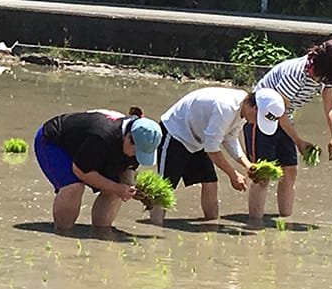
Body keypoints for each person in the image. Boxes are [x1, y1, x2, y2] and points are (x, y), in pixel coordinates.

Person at [244, 39, 332, 219]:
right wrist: (299, 142)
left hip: (284, 118)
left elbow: (331, 106)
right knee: (262, 175)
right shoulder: (295, 75)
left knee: (290, 172)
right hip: (259, 117)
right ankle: (254, 225)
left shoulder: (326, 78)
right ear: (330, 67)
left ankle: (285, 220)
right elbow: (278, 112)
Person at [150, 87, 285, 226]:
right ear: (254, 106)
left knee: (210, 182)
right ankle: (155, 230)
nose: (256, 123)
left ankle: (211, 227)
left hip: (199, 139)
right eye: (259, 118)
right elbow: (212, 149)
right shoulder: (226, 108)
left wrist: (247, 165)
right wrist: (233, 175)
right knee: (164, 189)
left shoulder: (243, 111)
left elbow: (230, 138)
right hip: (175, 133)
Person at [34, 111, 162, 231]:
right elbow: (81, 170)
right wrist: (117, 188)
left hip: (87, 148)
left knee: (116, 190)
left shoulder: (140, 140)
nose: (136, 157)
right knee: (74, 186)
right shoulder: (102, 136)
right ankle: (63, 234)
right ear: (128, 138)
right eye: (137, 152)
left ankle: (101, 233)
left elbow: (127, 170)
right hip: (52, 142)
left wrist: (130, 188)